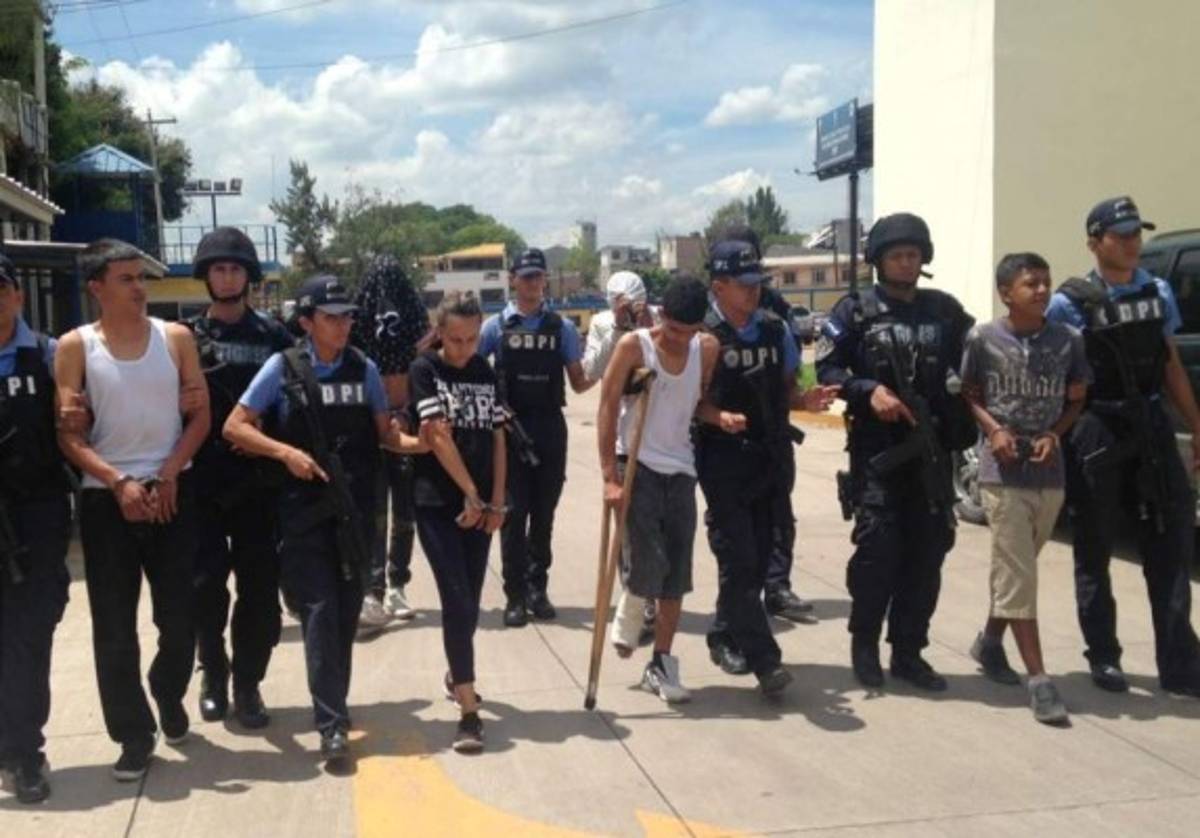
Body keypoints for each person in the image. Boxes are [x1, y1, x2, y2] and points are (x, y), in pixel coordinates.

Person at [224, 275, 424, 762]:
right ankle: (331, 721)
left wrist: (424, 442)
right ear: (307, 322)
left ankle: (334, 701)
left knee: (346, 611)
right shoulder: (282, 367)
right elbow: (235, 426)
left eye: (348, 316)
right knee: (319, 612)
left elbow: (385, 435)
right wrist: (284, 453)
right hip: (302, 512)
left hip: (354, 511)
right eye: (332, 317)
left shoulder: (365, 369)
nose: (343, 325)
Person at [54, 239, 210, 781]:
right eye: (126, 279)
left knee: (181, 619)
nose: (140, 288)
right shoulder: (74, 347)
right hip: (108, 502)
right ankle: (133, 733)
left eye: (141, 278)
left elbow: (201, 418)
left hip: (172, 492)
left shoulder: (176, 338)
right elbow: (68, 436)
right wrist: (117, 481)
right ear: (96, 287)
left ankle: (167, 689)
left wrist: (167, 474)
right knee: (114, 627)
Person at [1045, 196, 1200, 698]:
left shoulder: (1156, 290)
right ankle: (1104, 657)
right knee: (1094, 546)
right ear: (1096, 243)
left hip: (1151, 423)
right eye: (1123, 233)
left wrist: (1197, 427)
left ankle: (1180, 665)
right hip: (1098, 427)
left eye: (1137, 233)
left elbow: (1170, 361)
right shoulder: (1069, 301)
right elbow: (1053, 373)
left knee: (1172, 543)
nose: (1133, 242)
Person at [815, 213, 976, 691]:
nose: (907, 263)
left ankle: (909, 651)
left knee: (927, 556)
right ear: (879, 261)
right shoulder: (854, 312)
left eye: (913, 255)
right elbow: (827, 368)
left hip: (931, 455)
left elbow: (976, 359)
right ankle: (864, 643)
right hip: (878, 456)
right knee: (877, 553)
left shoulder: (944, 311)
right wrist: (867, 391)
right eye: (897, 255)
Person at [698, 238, 837, 695]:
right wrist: (717, 417)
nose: (754, 292)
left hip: (772, 458)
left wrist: (805, 401)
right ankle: (765, 661)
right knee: (738, 560)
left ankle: (724, 633)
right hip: (723, 463)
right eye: (744, 285)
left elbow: (787, 391)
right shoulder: (703, 340)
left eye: (758, 283)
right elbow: (688, 405)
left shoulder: (777, 330)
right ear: (719, 287)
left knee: (757, 564)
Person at [960, 252, 1090, 724]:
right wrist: (993, 429)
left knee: (1019, 569)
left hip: (1049, 472)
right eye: (1030, 283)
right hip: (1001, 472)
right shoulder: (983, 338)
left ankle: (991, 642)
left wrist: (1056, 434)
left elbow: (1077, 397)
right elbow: (969, 392)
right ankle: (1039, 681)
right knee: (1019, 574)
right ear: (1006, 293)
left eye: (1045, 282)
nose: (1041, 291)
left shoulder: (1069, 340)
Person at [186, 228, 295, 729]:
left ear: (248, 276)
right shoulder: (183, 339)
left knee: (259, 592)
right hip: (202, 484)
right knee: (205, 589)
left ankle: (248, 682)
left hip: (259, 485)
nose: (227, 277)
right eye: (218, 269)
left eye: (235, 269)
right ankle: (213, 673)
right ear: (205, 276)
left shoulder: (275, 337)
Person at [597, 276, 717, 702]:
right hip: (638, 462)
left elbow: (697, 403)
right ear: (662, 316)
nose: (682, 340)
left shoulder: (707, 349)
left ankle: (662, 663)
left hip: (681, 468)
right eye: (676, 330)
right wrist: (610, 476)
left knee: (676, 573)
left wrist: (720, 417)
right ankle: (630, 616)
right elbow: (608, 403)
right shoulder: (635, 346)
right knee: (648, 561)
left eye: (691, 332)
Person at [409, 295, 507, 753]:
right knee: (456, 599)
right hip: (437, 504)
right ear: (439, 332)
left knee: (469, 604)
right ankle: (469, 711)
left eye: (471, 339)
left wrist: (496, 501)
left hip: (483, 505)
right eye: (455, 339)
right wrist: (470, 492)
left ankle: (455, 674)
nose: (464, 348)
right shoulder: (424, 371)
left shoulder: (486, 371)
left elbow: (499, 437)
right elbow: (437, 437)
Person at [478, 248, 593, 627]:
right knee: (512, 516)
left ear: (545, 279)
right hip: (509, 432)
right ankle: (514, 595)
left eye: (537, 276)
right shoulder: (494, 328)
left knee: (544, 516)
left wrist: (615, 362)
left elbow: (578, 382)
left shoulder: (562, 329)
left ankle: (536, 589)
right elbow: (476, 377)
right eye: (525, 276)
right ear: (513, 279)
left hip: (548, 429)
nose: (532, 283)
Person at [0, 254, 71, 803]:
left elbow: (78, 422)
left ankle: (25, 751)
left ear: (18, 297)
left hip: (37, 516)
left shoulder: (49, 354)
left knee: (31, 634)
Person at [350, 255, 428, 635]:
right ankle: (372, 589)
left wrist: (407, 414)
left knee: (406, 512)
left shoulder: (416, 328)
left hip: (406, 423)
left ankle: (397, 584)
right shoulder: (357, 332)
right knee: (374, 512)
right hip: (369, 427)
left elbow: (424, 371)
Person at [583, 270, 659, 657]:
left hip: (656, 433)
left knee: (657, 528)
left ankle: (649, 595)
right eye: (621, 304)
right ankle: (638, 599)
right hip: (621, 435)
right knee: (628, 529)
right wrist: (617, 328)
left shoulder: (659, 319)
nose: (629, 309)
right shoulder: (600, 324)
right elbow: (590, 371)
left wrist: (647, 324)